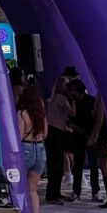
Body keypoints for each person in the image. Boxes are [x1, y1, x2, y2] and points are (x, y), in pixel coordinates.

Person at [17, 83, 47, 213]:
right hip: (40, 149)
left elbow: (19, 135)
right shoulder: (41, 115)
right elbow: (46, 134)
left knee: (19, 186)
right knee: (33, 189)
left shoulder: (22, 114)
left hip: (26, 148)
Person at [66, 79, 101, 202]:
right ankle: (76, 190)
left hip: (90, 135)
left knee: (94, 165)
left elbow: (96, 118)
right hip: (78, 136)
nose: (71, 94)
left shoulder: (90, 101)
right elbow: (69, 119)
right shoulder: (72, 103)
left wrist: (94, 135)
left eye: (73, 91)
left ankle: (95, 191)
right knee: (78, 164)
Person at [44, 75, 75, 204]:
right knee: (57, 164)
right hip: (57, 132)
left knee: (54, 163)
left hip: (51, 132)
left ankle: (54, 192)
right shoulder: (61, 98)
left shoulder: (52, 99)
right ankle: (53, 194)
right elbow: (71, 113)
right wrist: (73, 100)